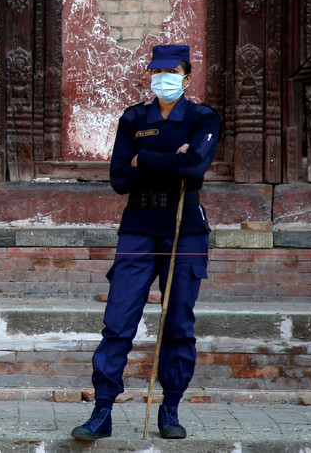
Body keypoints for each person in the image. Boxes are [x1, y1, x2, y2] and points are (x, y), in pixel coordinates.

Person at [72, 44, 222, 441]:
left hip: (184, 228)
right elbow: (120, 179)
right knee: (118, 323)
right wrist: (169, 160)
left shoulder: (204, 117)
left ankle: (169, 410)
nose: (163, 78)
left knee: (178, 326)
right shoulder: (134, 118)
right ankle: (101, 411)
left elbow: (196, 166)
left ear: (186, 77)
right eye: (156, 70)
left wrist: (145, 160)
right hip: (138, 227)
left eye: (171, 71)